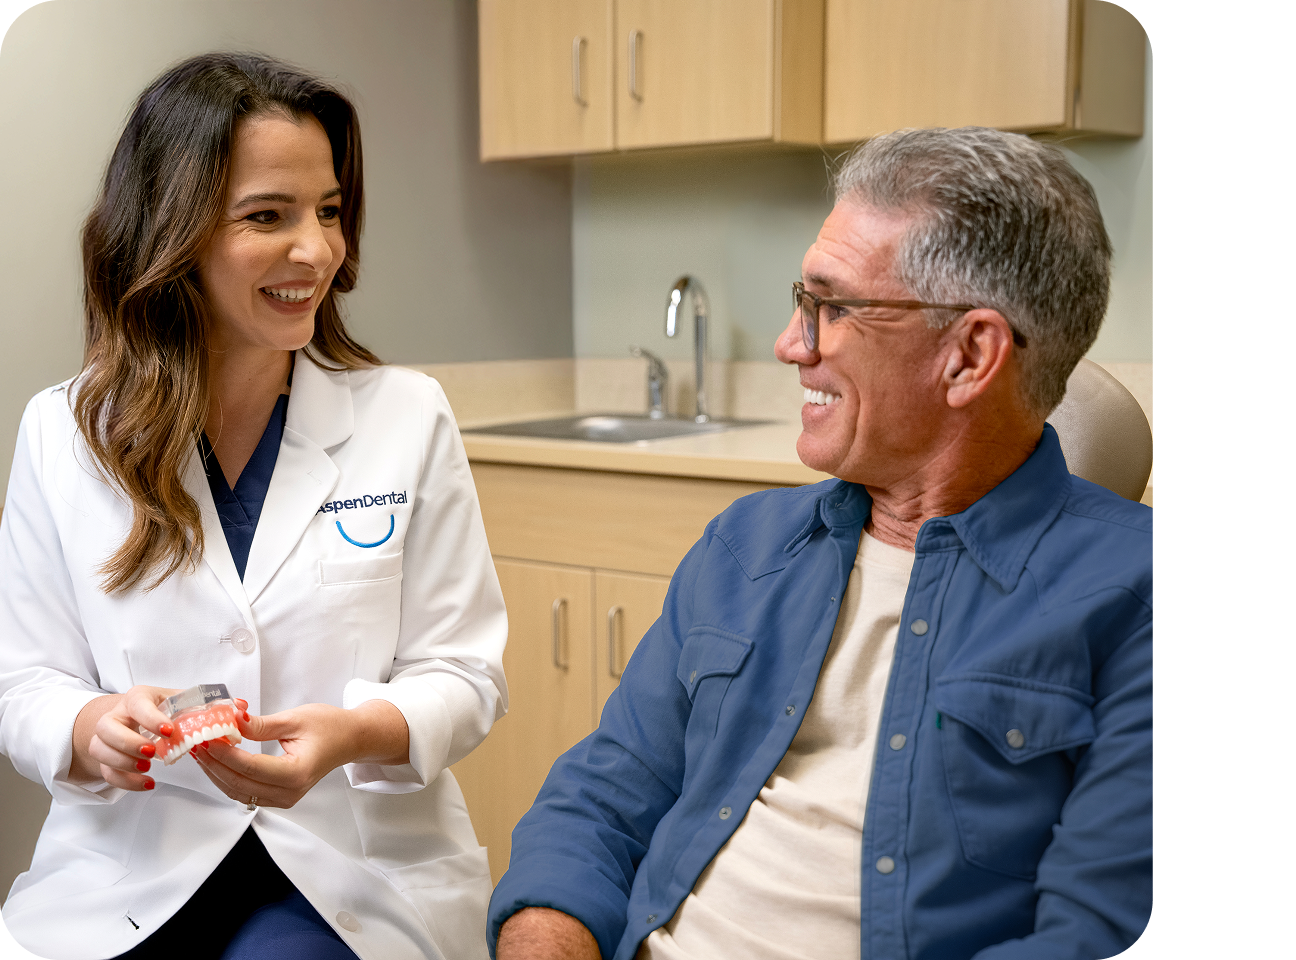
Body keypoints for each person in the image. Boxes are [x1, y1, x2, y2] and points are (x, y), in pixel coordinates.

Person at [487, 127, 1151, 960]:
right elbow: (599, 801)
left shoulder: (1144, 598)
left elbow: (1094, 933)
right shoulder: (745, 548)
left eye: (831, 307)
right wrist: (547, 940)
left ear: (970, 355)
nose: (791, 343)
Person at [0, 53, 507, 960]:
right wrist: (88, 731)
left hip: (345, 858)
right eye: (267, 216)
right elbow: (24, 680)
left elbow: (465, 674)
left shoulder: (405, 415)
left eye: (328, 211)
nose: (315, 249)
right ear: (171, 234)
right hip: (130, 866)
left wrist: (354, 734)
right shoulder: (62, 433)